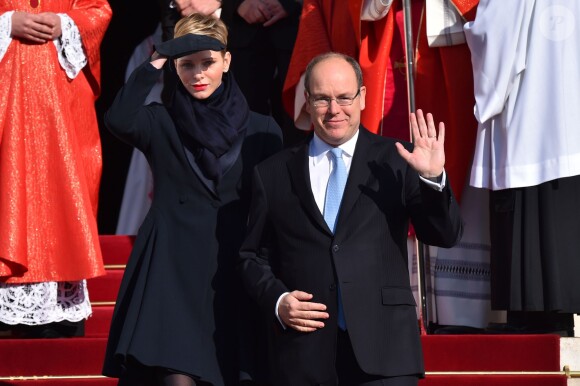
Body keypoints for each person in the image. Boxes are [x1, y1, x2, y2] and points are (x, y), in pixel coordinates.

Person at [238, 52, 463, 386]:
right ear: (307, 101)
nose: (334, 110)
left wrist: (432, 179)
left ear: (363, 98)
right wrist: (278, 300)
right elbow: (252, 256)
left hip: (386, 351)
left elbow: (444, 234)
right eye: (322, 99)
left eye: (344, 97)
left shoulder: (397, 159)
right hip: (304, 353)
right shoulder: (272, 173)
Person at [102, 13, 283, 386]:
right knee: (175, 377)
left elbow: (273, 211)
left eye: (207, 63)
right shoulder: (160, 121)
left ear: (227, 61)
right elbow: (119, 119)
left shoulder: (263, 129)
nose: (198, 74)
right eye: (187, 65)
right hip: (171, 270)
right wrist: (157, 59)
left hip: (231, 271)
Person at [464, 0, 580, 337]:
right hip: (570, 121)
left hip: (530, 121)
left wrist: (468, 29)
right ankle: (559, 316)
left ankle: (527, 317)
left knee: (525, 220)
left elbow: (496, 35)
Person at [0, 2, 111, 338]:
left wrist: (65, 24)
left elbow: (98, 9)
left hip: (60, 98)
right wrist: (7, 24)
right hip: (7, 92)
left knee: (59, 190)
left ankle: (57, 314)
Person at [220, 0, 304, 146]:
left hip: (296, 30)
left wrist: (292, 3)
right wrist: (237, 4)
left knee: (296, 115)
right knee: (243, 113)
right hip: (241, 30)